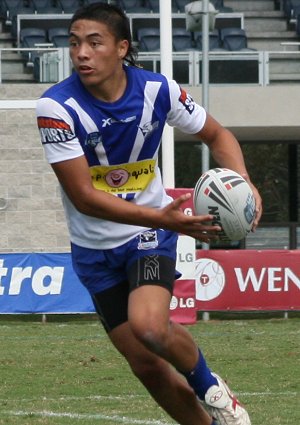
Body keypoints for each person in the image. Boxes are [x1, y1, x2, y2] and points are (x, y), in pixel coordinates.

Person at [36, 3, 262, 425]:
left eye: (94, 42)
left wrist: (243, 179)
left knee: (151, 327)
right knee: (146, 366)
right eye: (74, 43)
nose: (81, 53)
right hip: (94, 249)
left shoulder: (159, 91)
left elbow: (216, 134)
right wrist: (165, 218)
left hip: (147, 236)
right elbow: (84, 197)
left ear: (121, 48)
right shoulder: (56, 108)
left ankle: (212, 387)